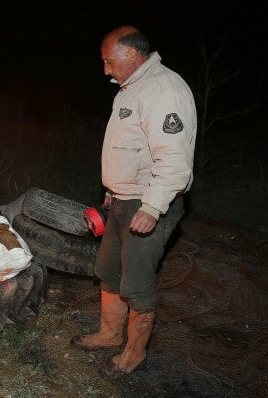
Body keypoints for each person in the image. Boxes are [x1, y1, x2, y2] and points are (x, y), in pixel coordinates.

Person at [70, 26, 197, 379]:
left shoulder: (163, 90)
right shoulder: (130, 90)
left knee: (137, 283)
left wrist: (152, 207)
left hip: (148, 202)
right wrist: (112, 189)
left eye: (109, 61)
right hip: (123, 200)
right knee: (109, 271)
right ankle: (110, 334)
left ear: (131, 54)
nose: (106, 70)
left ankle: (133, 355)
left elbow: (173, 160)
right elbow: (132, 149)